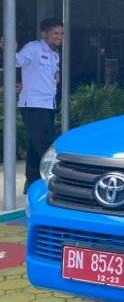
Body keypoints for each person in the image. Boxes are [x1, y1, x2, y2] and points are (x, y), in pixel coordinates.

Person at [7, 18, 64, 194]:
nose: (60, 37)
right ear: (44, 34)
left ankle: (31, 183)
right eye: (56, 33)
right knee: (46, 145)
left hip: (48, 104)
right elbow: (17, 61)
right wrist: (9, 48)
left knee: (34, 145)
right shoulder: (33, 48)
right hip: (32, 104)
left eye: (61, 33)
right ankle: (57, 180)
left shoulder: (55, 54)